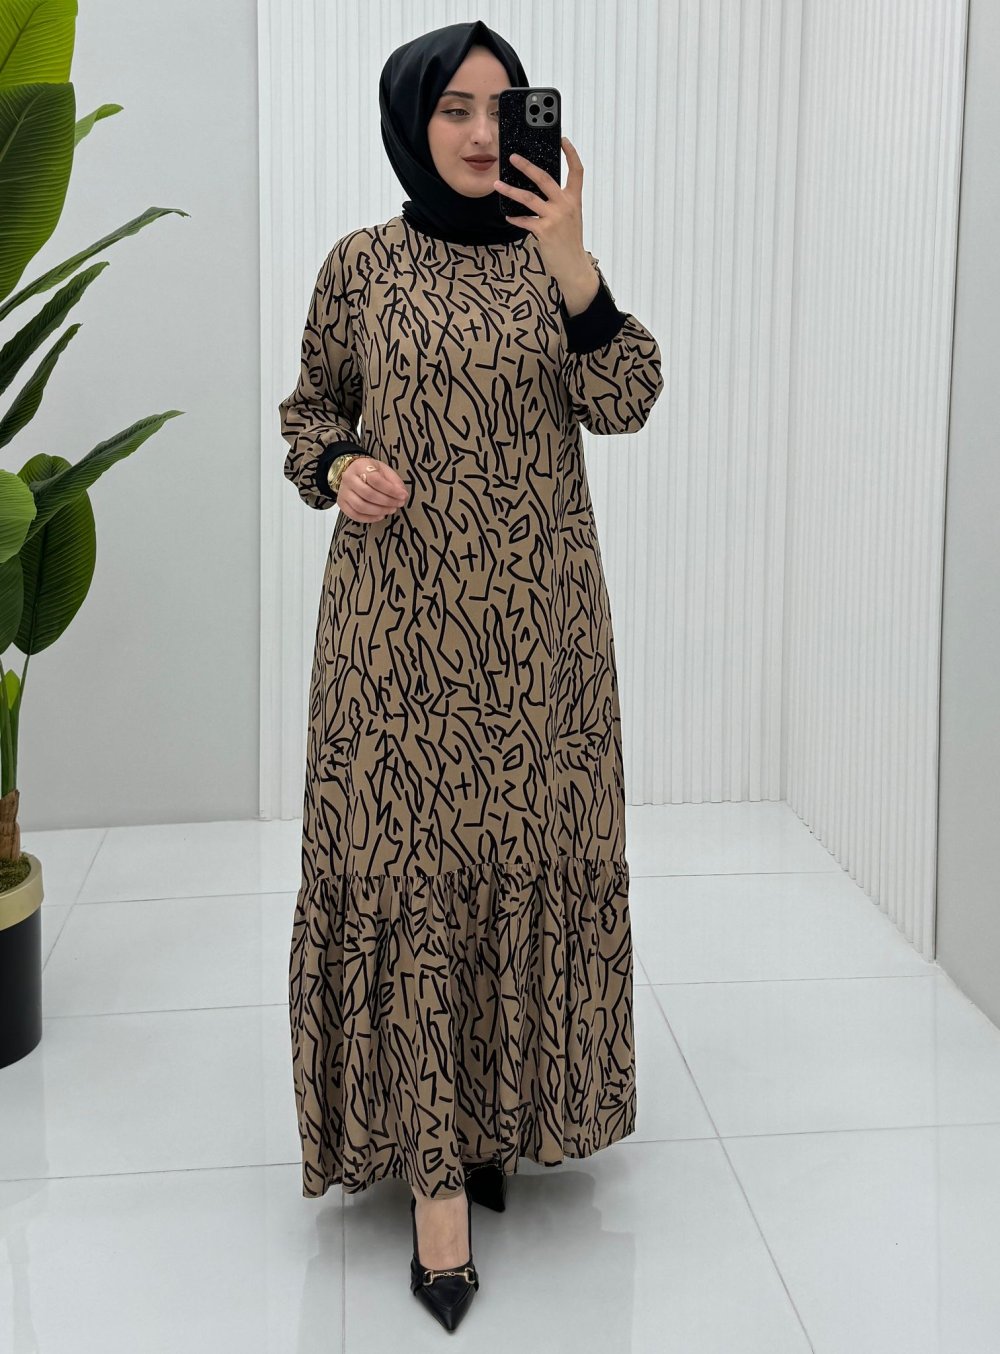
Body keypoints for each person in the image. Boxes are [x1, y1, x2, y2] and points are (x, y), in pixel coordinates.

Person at [277, 18, 664, 1332]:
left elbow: (626, 397)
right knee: (407, 879)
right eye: (455, 107)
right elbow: (308, 415)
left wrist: (575, 264)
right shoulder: (360, 265)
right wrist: (342, 467)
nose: (484, 131)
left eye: (503, 107)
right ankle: (435, 1183)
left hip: (541, 642)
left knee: (517, 867)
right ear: (411, 120)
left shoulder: (554, 264)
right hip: (394, 638)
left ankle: (493, 1121)